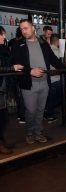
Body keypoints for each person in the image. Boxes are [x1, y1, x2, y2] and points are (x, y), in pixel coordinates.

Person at [11, 19, 66, 144]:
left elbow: (53, 59)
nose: (24, 31)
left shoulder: (43, 43)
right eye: (21, 29)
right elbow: (16, 63)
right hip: (28, 83)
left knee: (40, 110)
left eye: (26, 28)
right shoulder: (18, 45)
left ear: (33, 28)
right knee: (31, 110)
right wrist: (30, 71)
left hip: (44, 82)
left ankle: (38, 132)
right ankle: (29, 132)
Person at [0, 26, 24, 154]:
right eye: (1, 34)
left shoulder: (3, 49)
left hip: (2, 88)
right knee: (2, 118)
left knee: (3, 117)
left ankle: (1, 140)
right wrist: (12, 68)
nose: (4, 37)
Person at [44, 34, 66, 123]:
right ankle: (49, 114)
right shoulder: (58, 51)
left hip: (48, 78)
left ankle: (47, 111)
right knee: (58, 97)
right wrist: (64, 48)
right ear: (58, 42)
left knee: (50, 97)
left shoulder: (46, 50)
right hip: (56, 78)